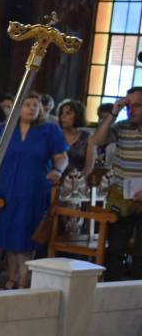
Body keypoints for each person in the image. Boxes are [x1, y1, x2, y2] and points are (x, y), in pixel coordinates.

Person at [0, 92, 68, 289]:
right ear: (17, 108)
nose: (32, 108)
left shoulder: (49, 130)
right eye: (27, 104)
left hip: (34, 189)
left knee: (27, 234)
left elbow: (61, 157)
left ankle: (23, 278)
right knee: (8, 233)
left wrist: (58, 170)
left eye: (35, 105)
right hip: (7, 189)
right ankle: (12, 275)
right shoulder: (5, 129)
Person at [89, 89, 142, 281]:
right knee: (115, 251)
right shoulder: (121, 127)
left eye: (136, 106)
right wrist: (114, 112)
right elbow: (97, 140)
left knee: (140, 254)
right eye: (128, 106)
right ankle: (110, 290)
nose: (131, 110)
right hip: (121, 196)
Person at [56, 99, 94, 176]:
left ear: (77, 116)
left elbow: (88, 167)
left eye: (68, 113)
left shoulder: (87, 137)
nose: (63, 116)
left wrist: (77, 180)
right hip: (54, 179)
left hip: (78, 180)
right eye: (61, 113)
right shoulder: (55, 135)